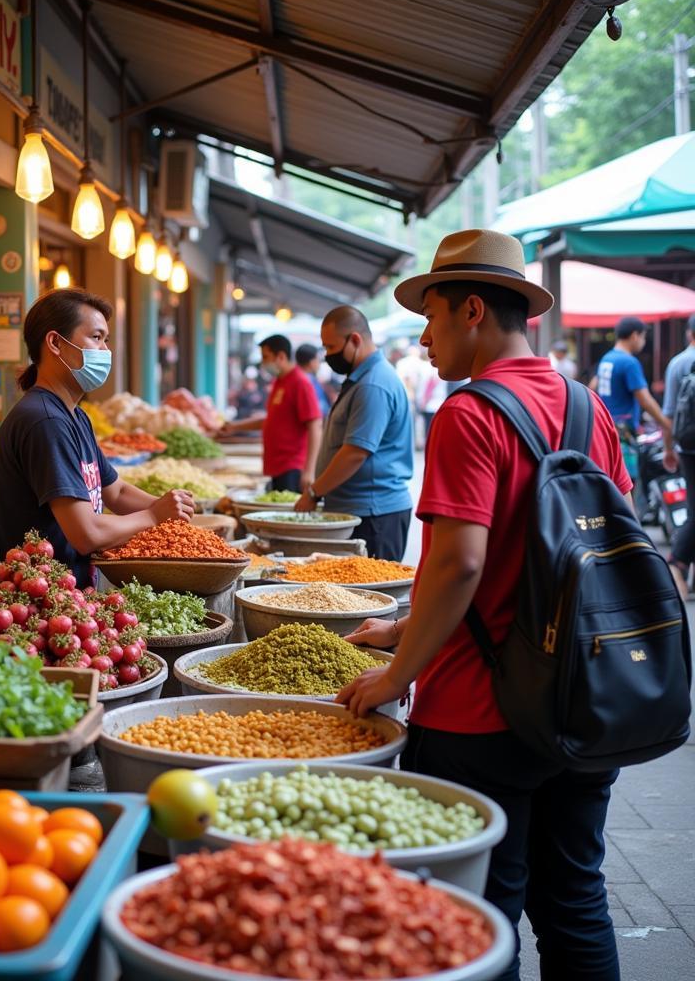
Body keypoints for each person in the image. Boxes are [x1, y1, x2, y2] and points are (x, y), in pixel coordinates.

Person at [339, 229, 632, 981]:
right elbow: (579, 551)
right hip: (581, 699)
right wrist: (403, 624)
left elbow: (465, 563)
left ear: (473, 310)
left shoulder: (471, 412)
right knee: (574, 899)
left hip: (479, 711)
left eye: (431, 318)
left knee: (478, 913)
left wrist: (398, 669)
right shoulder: (586, 407)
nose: (426, 338)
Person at [0, 289, 194, 583]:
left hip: (66, 598)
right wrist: (154, 516)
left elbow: (115, 492)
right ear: (55, 342)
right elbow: (86, 534)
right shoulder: (45, 421)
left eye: (106, 340)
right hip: (32, 605)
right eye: (96, 338)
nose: (106, 351)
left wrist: (169, 508)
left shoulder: (75, 416)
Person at [294, 306, 413, 560]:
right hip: (359, 510)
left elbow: (355, 453)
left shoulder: (373, 385)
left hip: (374, 515)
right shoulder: (361, 379)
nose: (327, 355)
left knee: (371, 595)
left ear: (355, 340)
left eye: (332, 348)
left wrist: (314, 492)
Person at [220, 335, 322, 493]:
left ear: (281, 356)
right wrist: (235, 426)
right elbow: (272, 419)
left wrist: (309, 471)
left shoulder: (300, 382)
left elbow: (315, 426)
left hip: (292, 467)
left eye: (266, 357)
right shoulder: (279, 382)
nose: (263, 362)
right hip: (276, 465)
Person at [591, 316, 678, 474]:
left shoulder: (607, 358)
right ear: (634, 336)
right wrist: (667, 424)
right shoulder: (629, 362)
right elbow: (645, 400)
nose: (643, 342)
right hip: (623, 432)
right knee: (627, 484)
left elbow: (592, 387)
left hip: (604, 427)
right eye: (643, 337)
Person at [661, 312, 695, 596]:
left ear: (688, 334)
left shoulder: (677, 364)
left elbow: (668, 412)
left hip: (688, 449)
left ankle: (680, 564)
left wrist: (668, 448)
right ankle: (677, 562)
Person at [295, 343, 331, 417]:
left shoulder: (295, 378)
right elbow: (319, 408)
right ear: (312, 362)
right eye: (318, 360)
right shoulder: (307, 381)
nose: (319, 363)